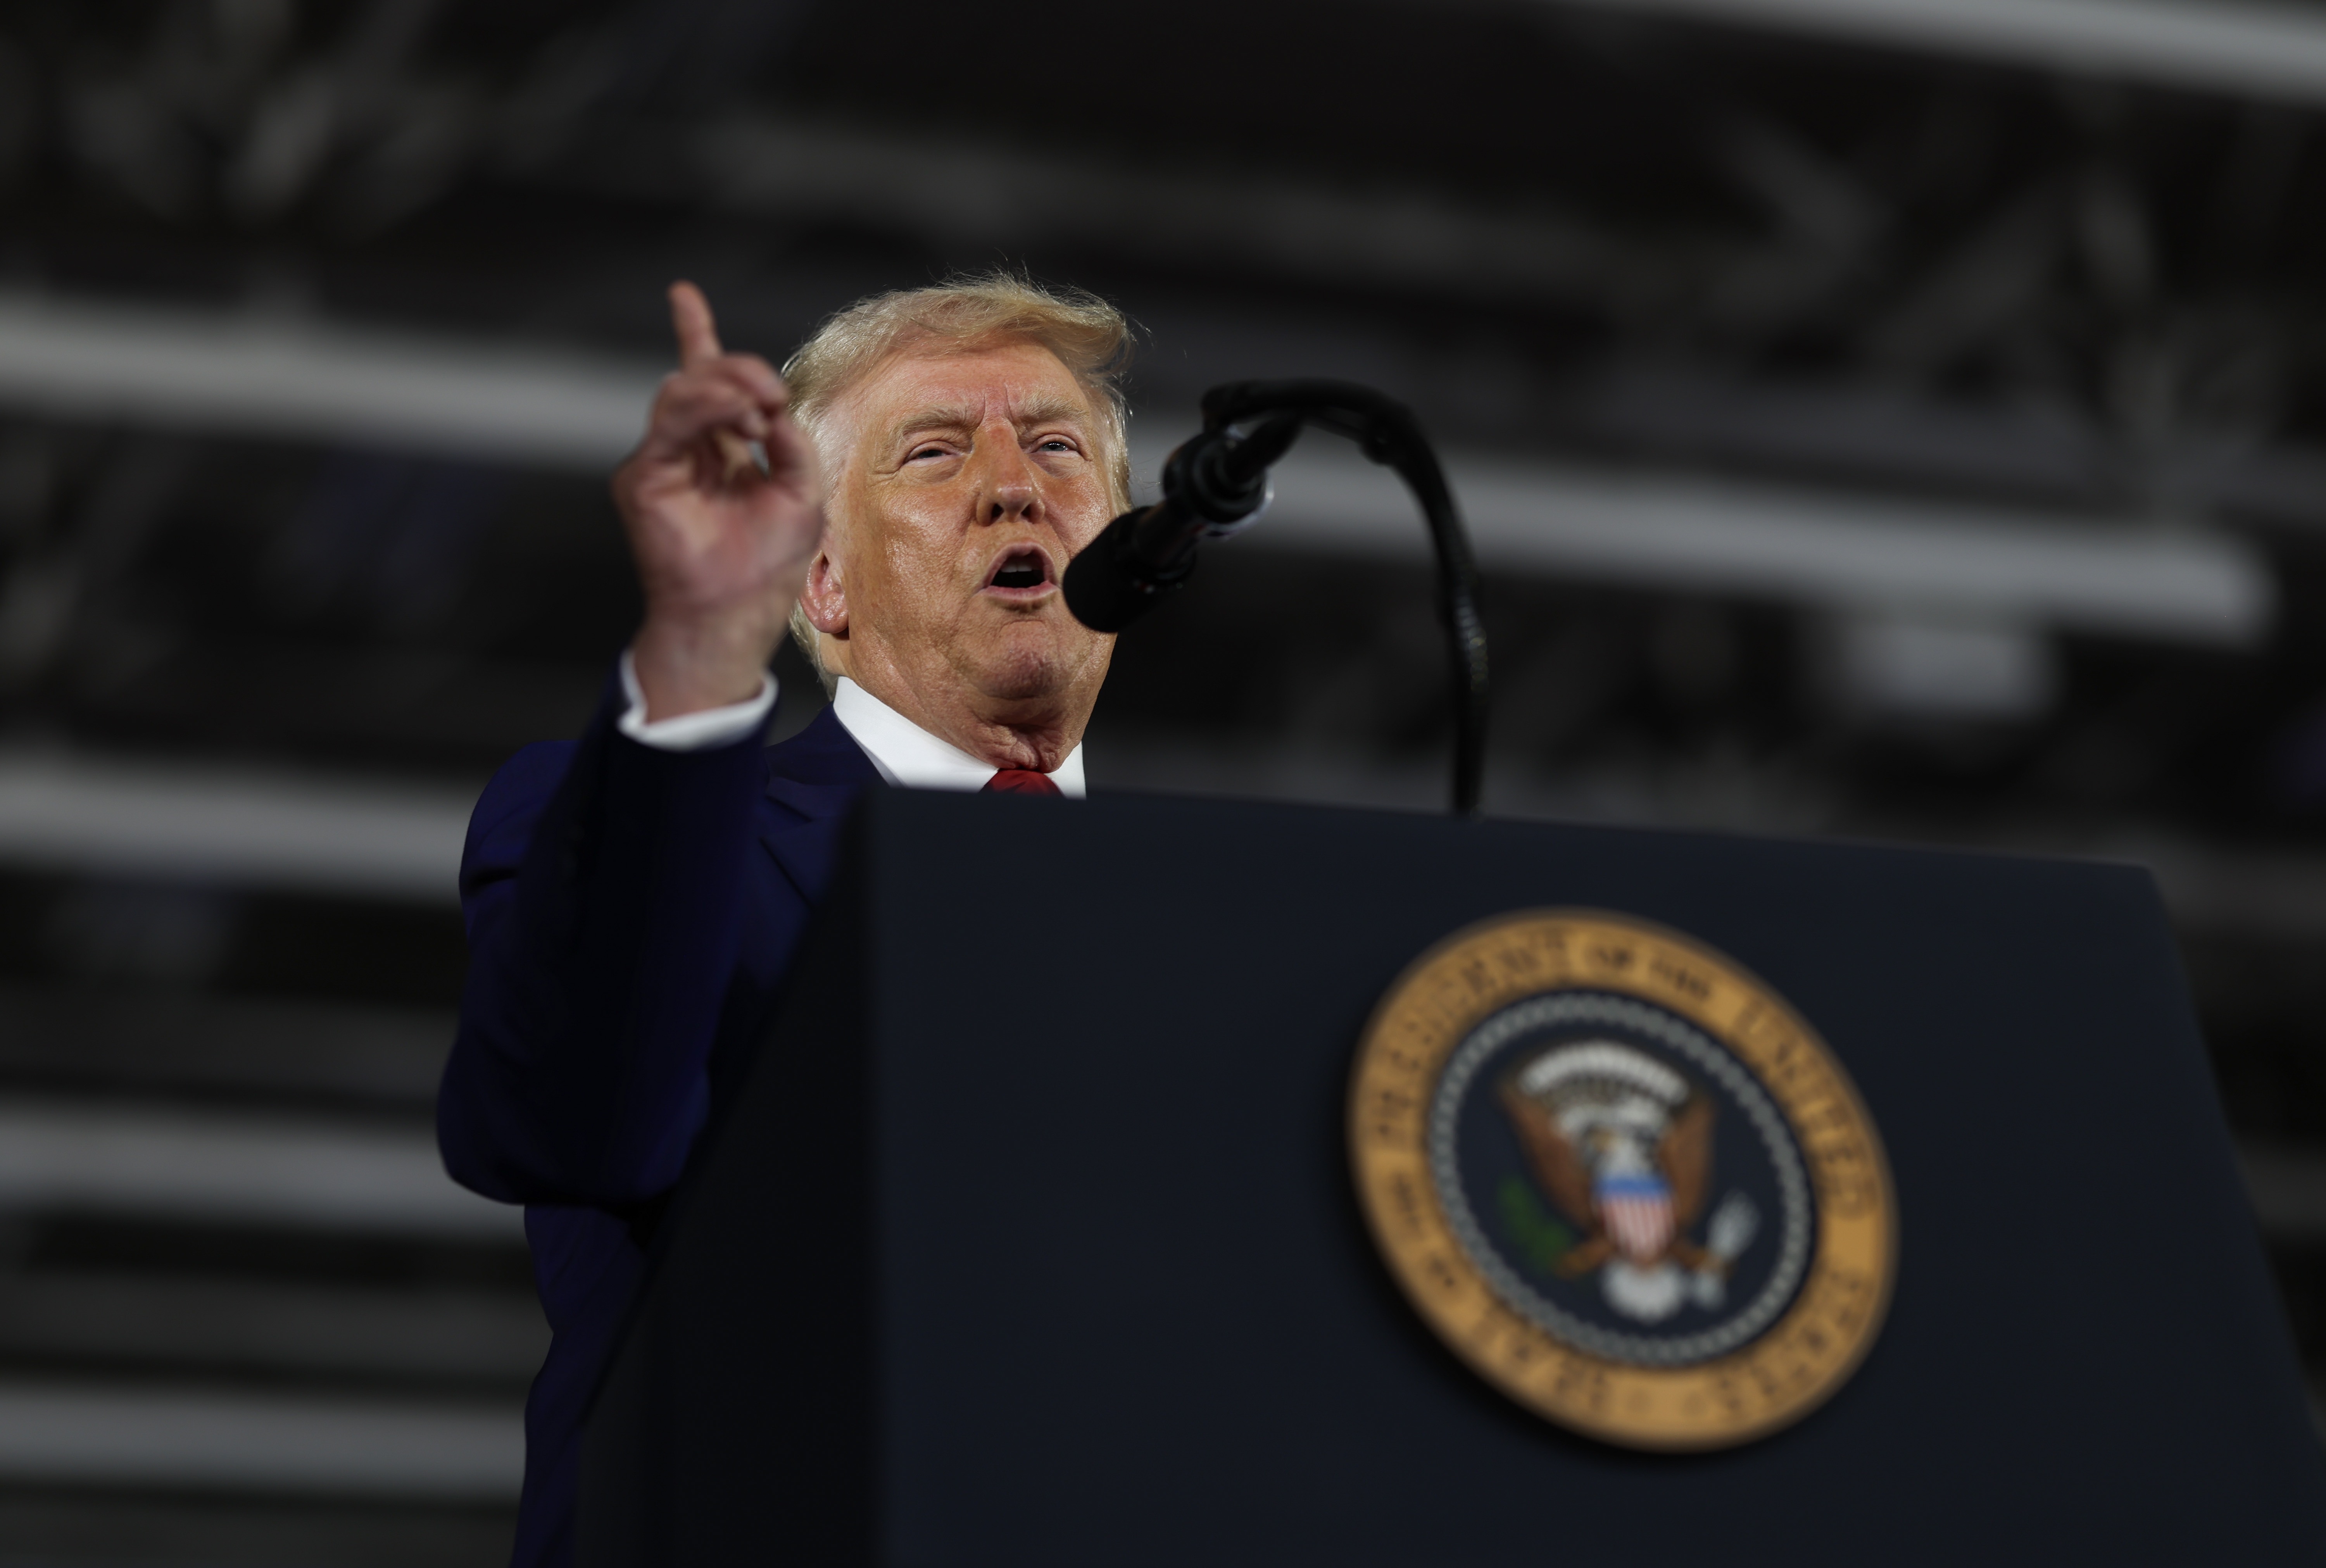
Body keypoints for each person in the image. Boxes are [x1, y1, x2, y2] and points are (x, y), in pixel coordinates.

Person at [436, 272, 1133, 1568]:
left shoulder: (1219, 922)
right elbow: (570, 1117)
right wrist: (706, 644)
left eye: (1056, 447)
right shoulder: (660, 833)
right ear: (821, 580)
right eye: (936, 452)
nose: (1013, 486)